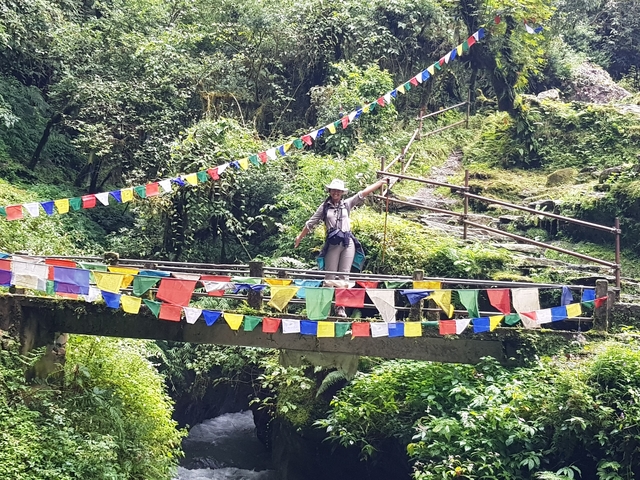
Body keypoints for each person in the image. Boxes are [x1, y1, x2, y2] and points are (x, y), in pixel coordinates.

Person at [294, 177, 389, 316]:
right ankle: (324, 308)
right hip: (333, 244)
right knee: (330, 276)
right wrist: (299, 237)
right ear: (330, 191)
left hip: (347, 242)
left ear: (342, 192)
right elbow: (311, 222)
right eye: (334, 190)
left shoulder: (347, 204)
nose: (336, 193)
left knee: (344, 276)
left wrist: (379, 183)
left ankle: (341, 307)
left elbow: (362, 194)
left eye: (339, 191)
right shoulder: (325, 207)